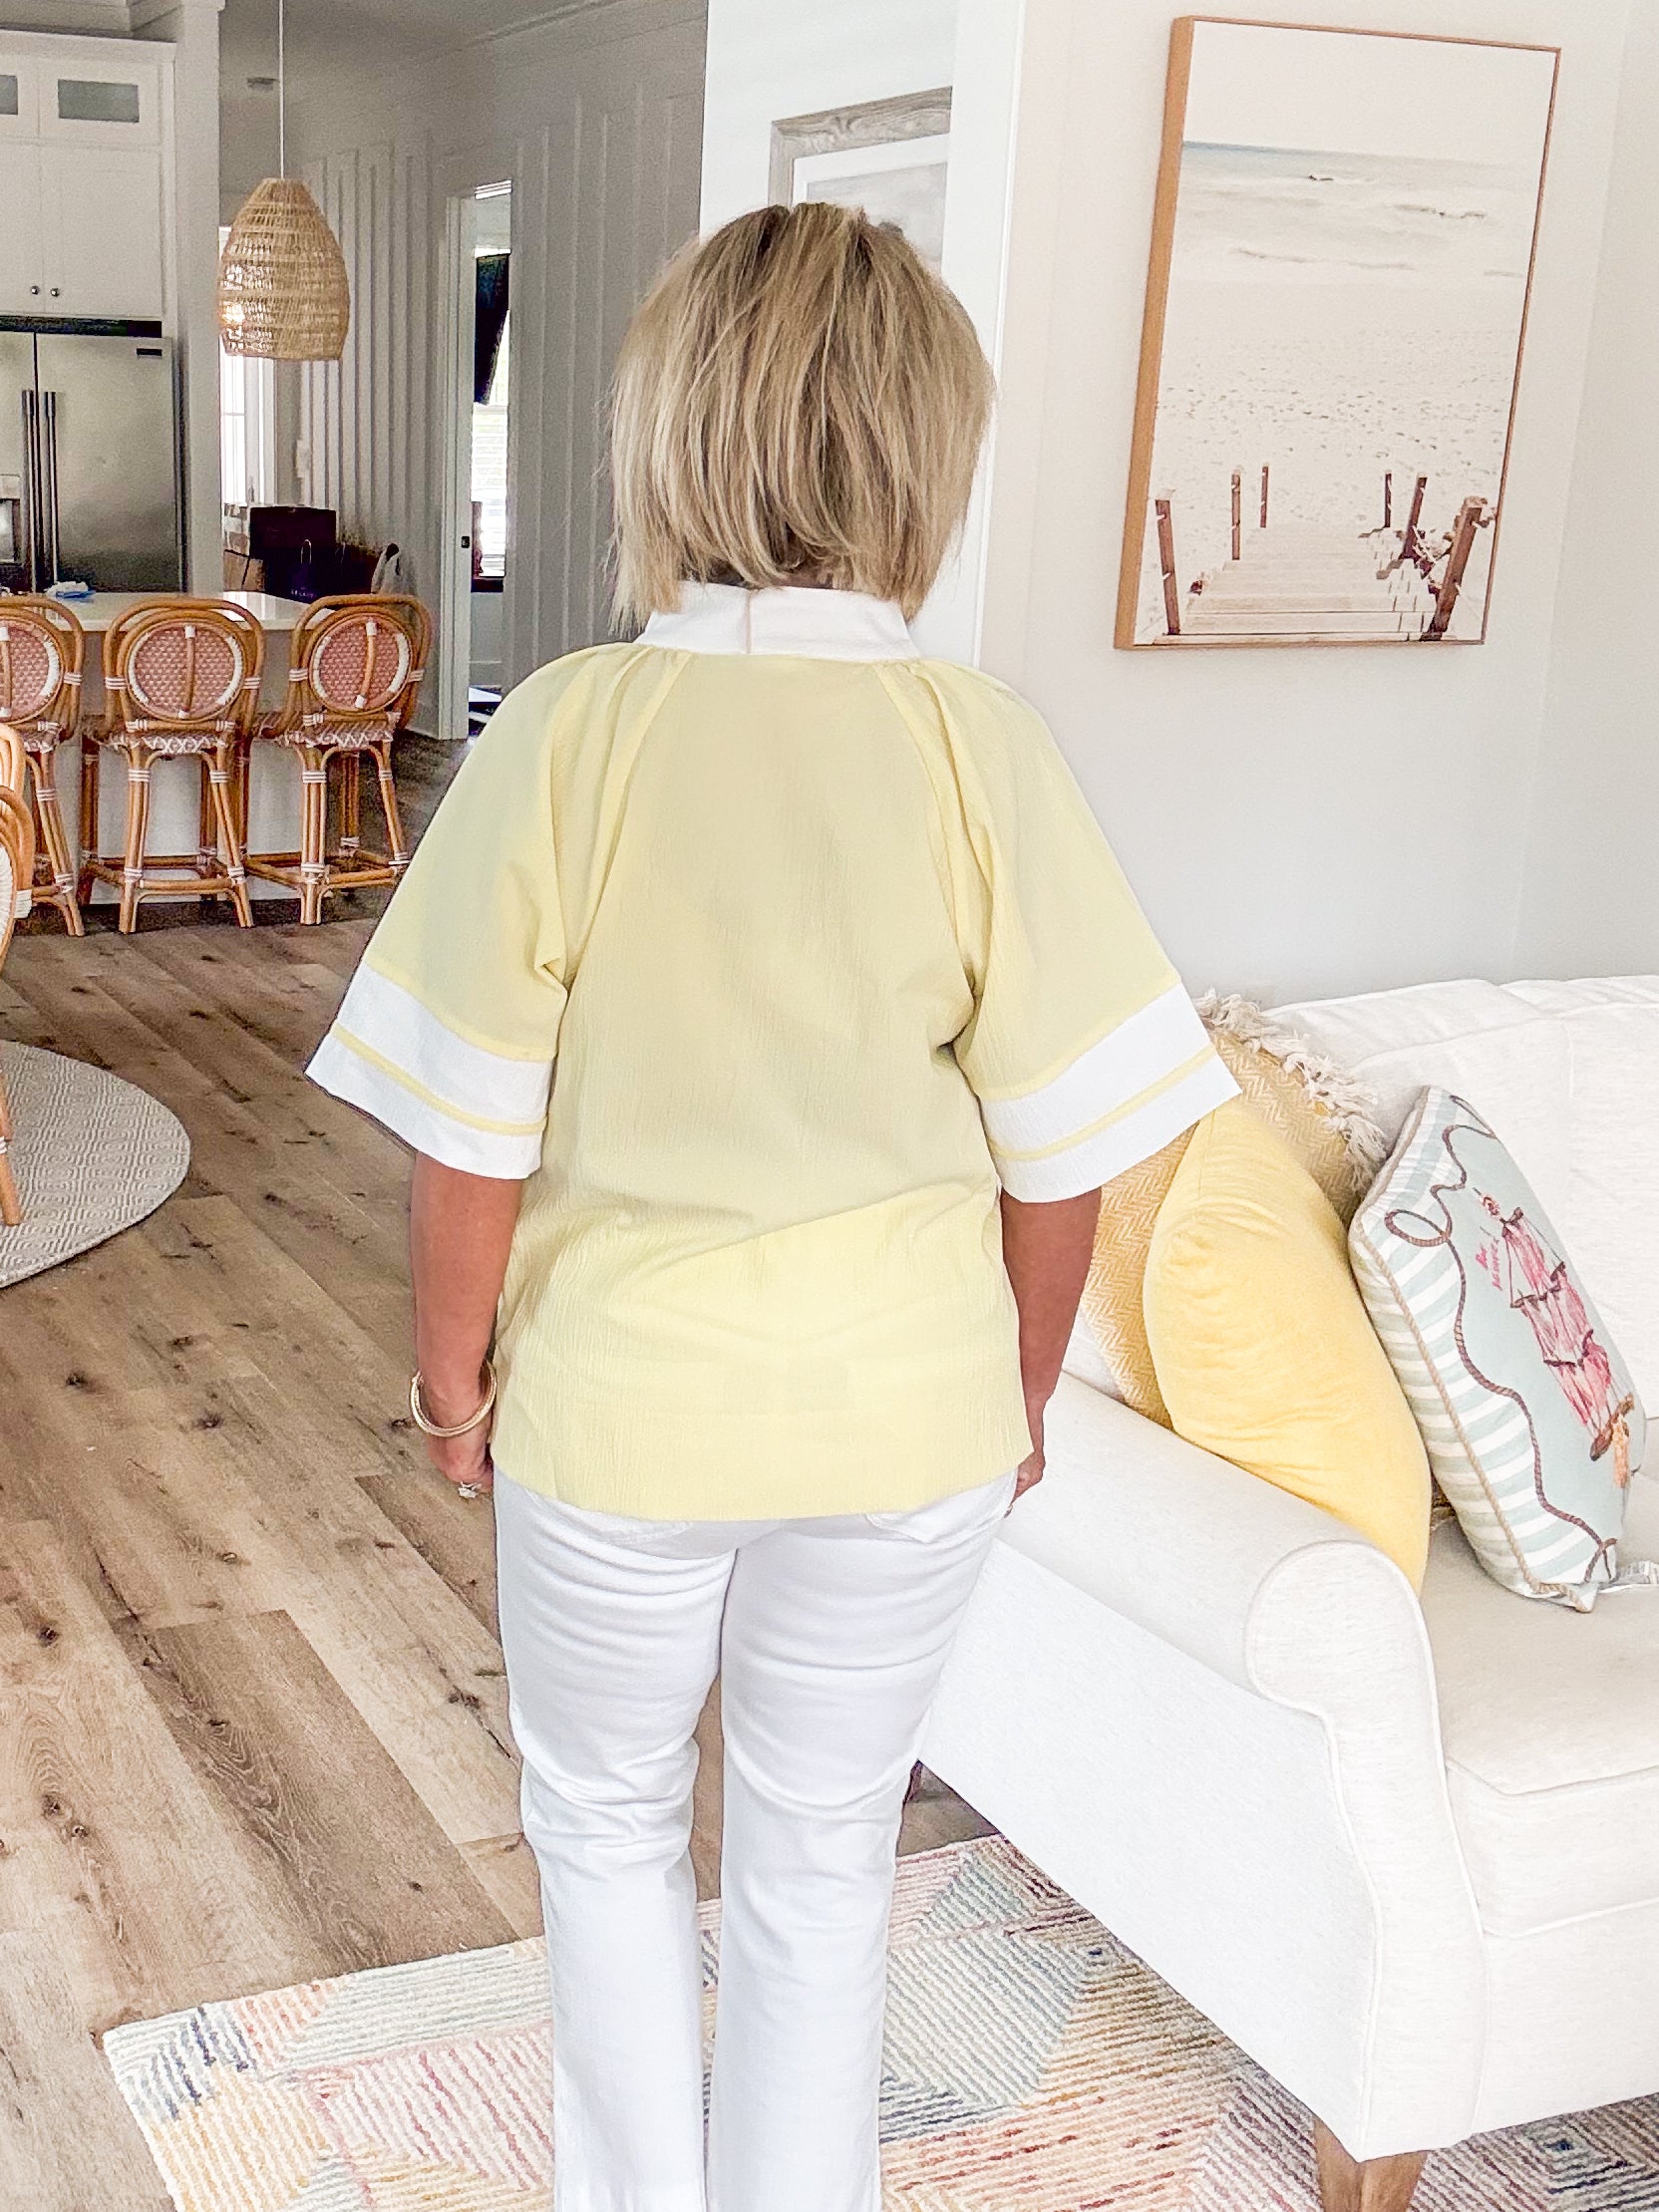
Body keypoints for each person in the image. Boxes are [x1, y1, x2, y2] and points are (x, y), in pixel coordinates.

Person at [308, 200, 1236, 2212]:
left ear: (667, 433)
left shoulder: (570, 733)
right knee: (824, 1855)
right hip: (908, 1419)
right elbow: (1059, 1150)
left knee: (605, 1825)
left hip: (620, 1416)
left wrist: (452, 1393)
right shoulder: (980, 748)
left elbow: (468, 1140)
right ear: (926, 455)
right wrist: (1015, 1393)